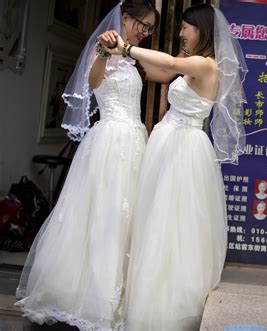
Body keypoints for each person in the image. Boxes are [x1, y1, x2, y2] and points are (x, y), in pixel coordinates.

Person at [14, 1, 159, 330]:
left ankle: (118, 295)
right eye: (141, 23)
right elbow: (94, 81)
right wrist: (106, 53)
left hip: (135, 139)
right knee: (102, 214)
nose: (143, 31)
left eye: (149, 28)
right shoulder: (105, 45)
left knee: (127, 216)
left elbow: (158, 70)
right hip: (110, 141)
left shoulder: (133, 54)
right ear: (125, 17)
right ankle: (91, 296)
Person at [103, 4, 248, 330]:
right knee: (159, 219)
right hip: (171, 140)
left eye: (186, 28)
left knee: (170, 222)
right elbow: (159, 73)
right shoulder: (191, 67)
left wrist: (126, 47)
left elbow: (167, 63)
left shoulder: (202, 63)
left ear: (202, 31)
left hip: (183, 146)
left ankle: (164, 307)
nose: (181, 33)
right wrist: (125, 58)